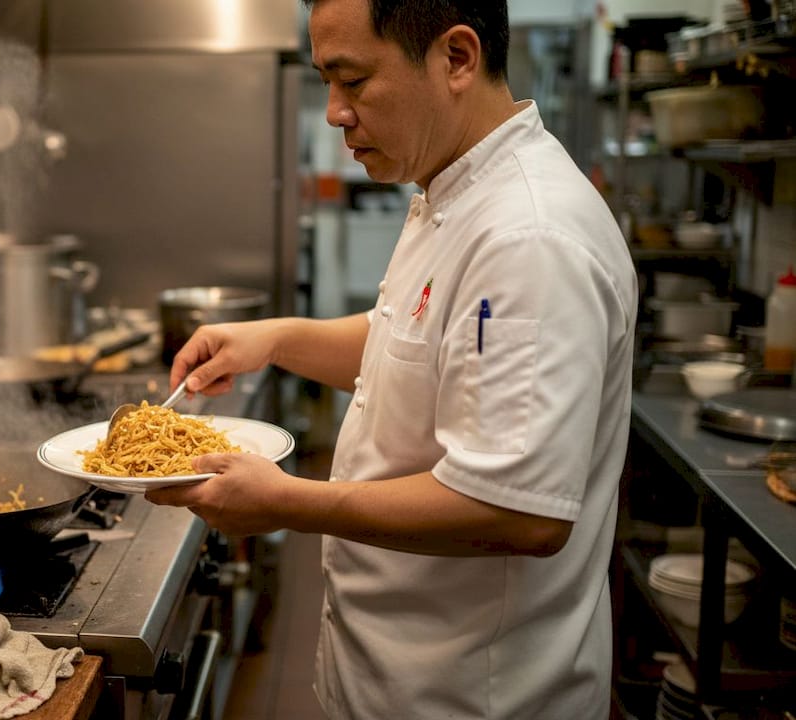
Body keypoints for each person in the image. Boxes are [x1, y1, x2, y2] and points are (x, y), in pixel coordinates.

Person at [144, 1, 638, 718]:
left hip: (470, 696)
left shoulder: (529, 239)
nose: (334, 115)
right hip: (397, 676)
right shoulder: (452, 187)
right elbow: (410, 347)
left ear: (458, 58)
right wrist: (274, 339)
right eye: (326, 84)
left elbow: (519, 512)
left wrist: (288, 502)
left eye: (354, 81)